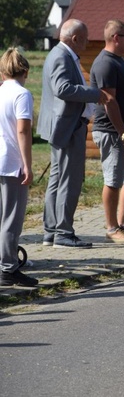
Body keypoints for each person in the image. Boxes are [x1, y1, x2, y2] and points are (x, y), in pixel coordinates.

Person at [38, 19, 110, 248]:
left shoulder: (59, 54)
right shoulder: (61, 56)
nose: (88, 43)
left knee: (58, 180)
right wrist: (94, 94)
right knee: (69, 181)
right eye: (86, 38)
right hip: (68, 127)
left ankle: (52, 231)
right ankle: (63, 233)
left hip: (62, 126)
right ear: (75, 38)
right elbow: (62, 89)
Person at [89, 19, 124, 243]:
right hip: (111, 130)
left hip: (123, 130)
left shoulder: (118, 60)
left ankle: (122, 224)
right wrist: (122, 131)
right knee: (113, 179)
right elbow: (108, 101)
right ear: (116, 38)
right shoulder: (105, 63)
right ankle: (111, 229)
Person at [0, 49, 38, 287]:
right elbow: (23, 130)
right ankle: (7, 267)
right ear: (25, 71)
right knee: (11, 218)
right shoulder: (22, 94)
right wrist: (27, 163)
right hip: (12, 161)